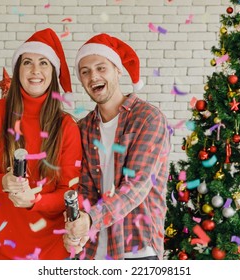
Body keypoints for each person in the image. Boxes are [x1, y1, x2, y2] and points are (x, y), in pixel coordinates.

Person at [0, 28, 82, 260]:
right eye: (27, 62)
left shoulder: (66, 125)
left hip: (54, 251)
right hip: (4, 252)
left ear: (53, 72)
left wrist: (35, 201)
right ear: (17, 69)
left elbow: (69, 192)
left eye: (44, 63)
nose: (35, 70)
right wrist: (3, 181)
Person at [64, 33, 171, 260]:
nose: (93, 76)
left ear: (118, 70)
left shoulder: (147, 118)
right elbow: (85, 189)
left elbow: (137, 185)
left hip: (137, 250)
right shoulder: (84, 128)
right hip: (93, 251)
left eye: (101, 68)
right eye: (85, 72)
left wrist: (91, 219)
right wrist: (78, 229)